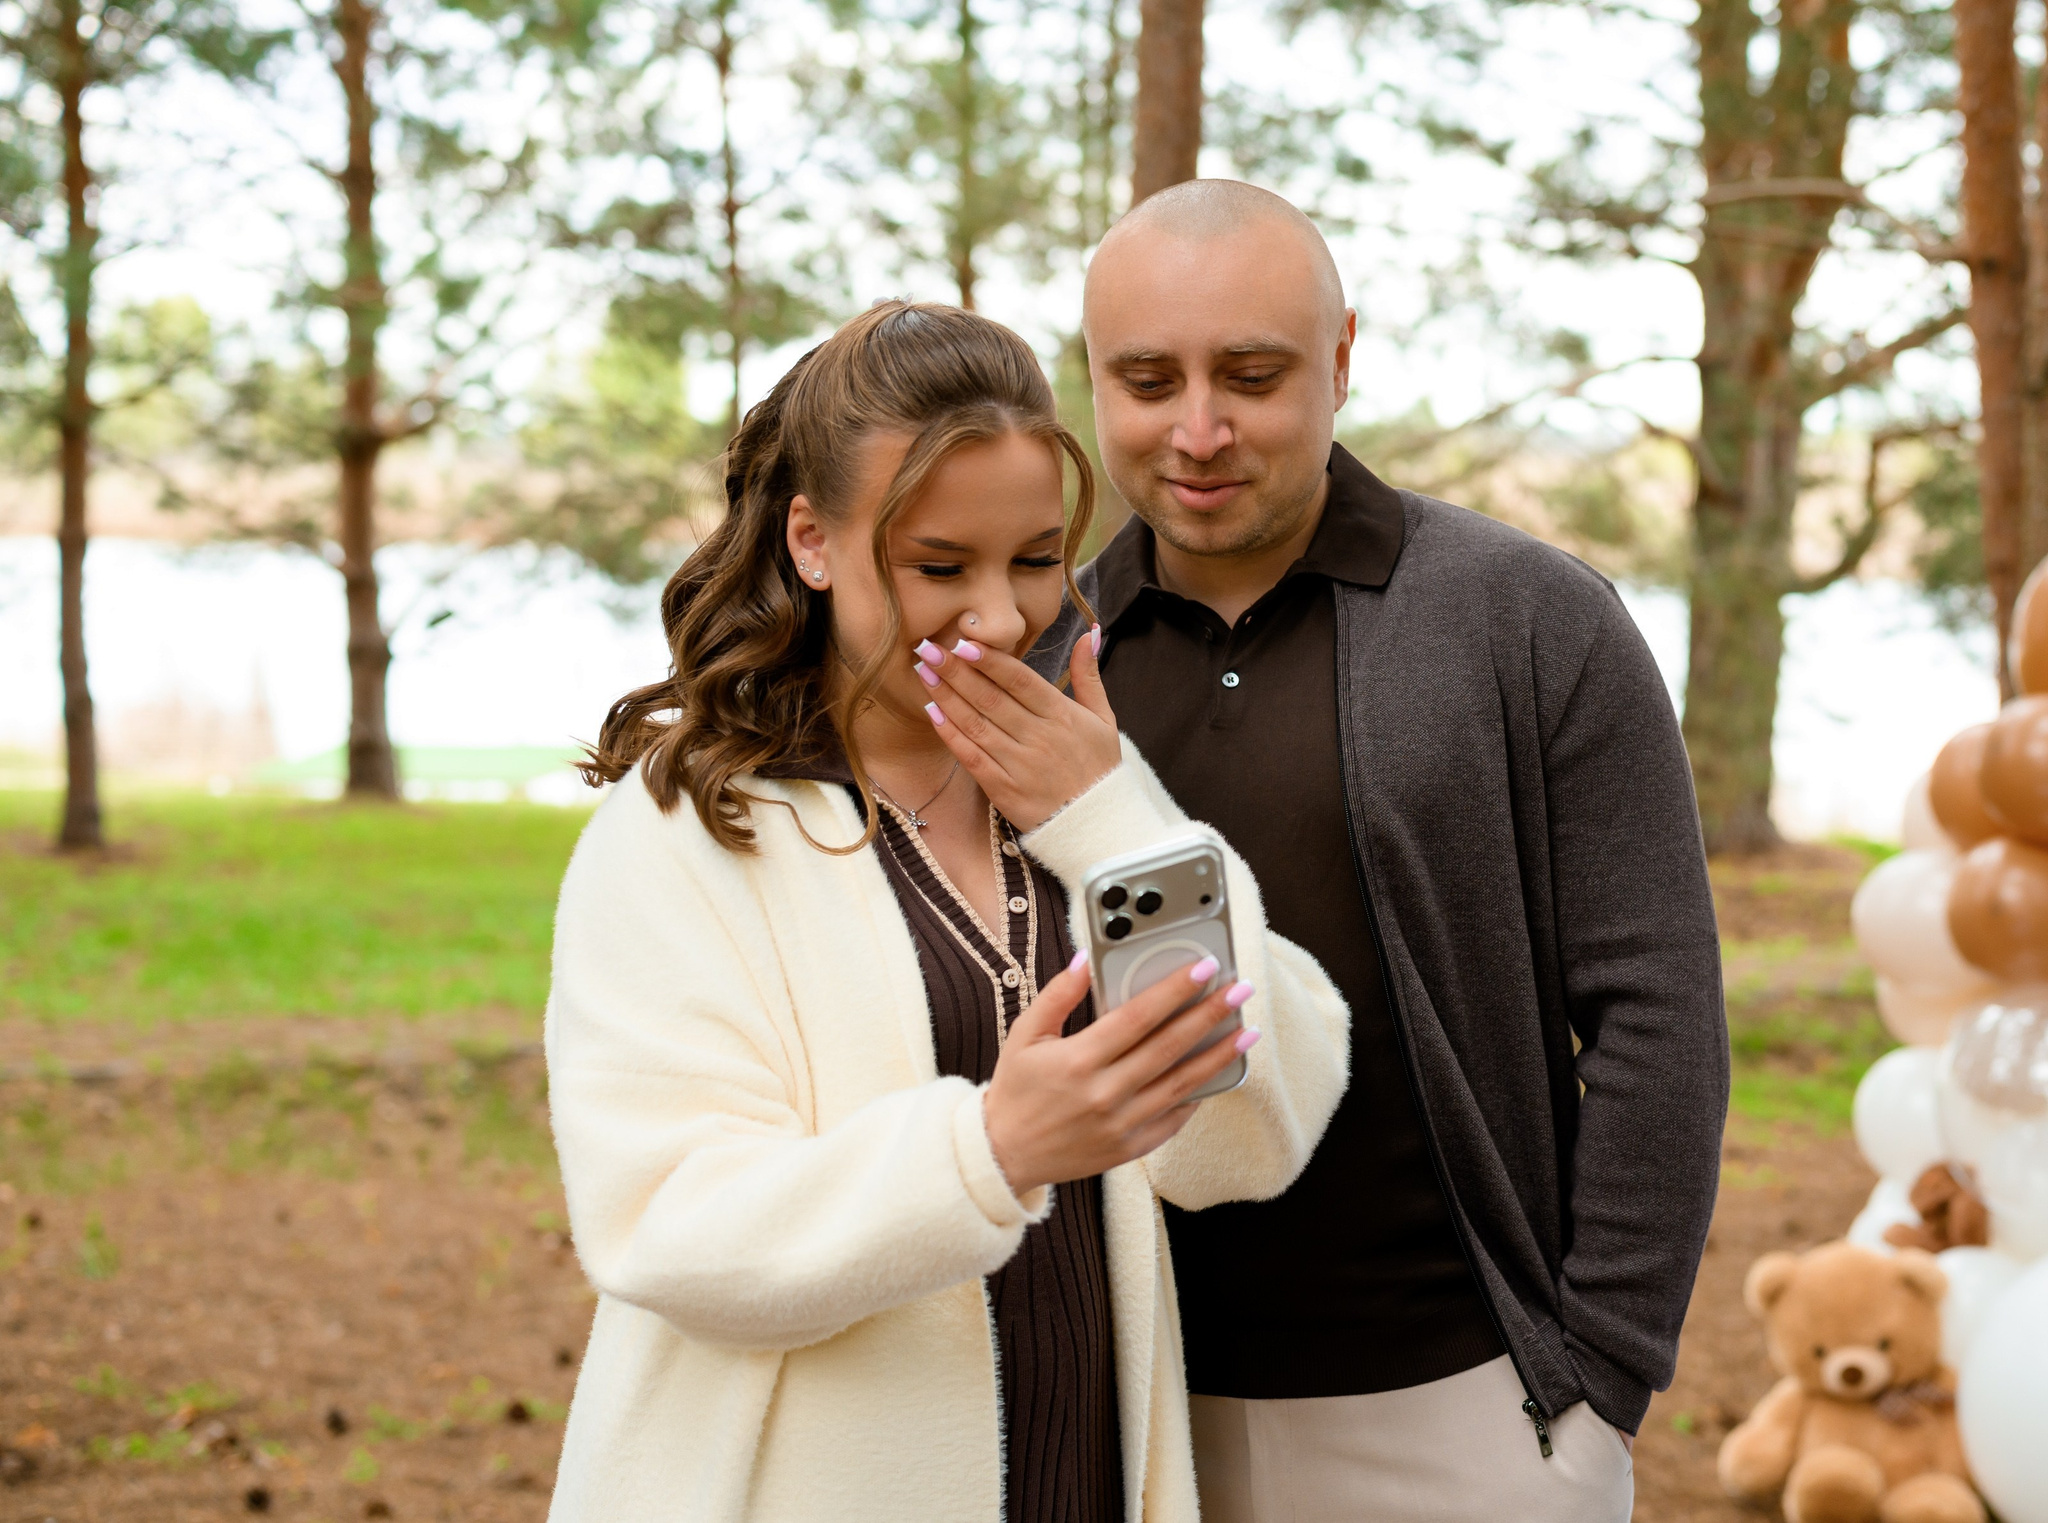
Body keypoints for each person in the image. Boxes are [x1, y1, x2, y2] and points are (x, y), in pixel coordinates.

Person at [544, 300, 1352, 1523]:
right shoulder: (679, 837)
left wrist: (1115, 820)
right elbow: (663, 1227)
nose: (998, 619)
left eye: (1035, 561)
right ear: (811, 540)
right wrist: (992, 1152)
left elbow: (1252, 1133)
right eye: (937, 567)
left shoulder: (1071, 791)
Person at [1050, 180, 1729, 1522]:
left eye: (1252, 372)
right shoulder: (1049, 649)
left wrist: (1601, 1367)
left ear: (1343, 357)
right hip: (1137, 1416)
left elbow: (1657, 1004)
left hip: (1468, 1407)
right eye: (1147, 378)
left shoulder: (1530, 617)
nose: (1198, 428)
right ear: (1095, 378)